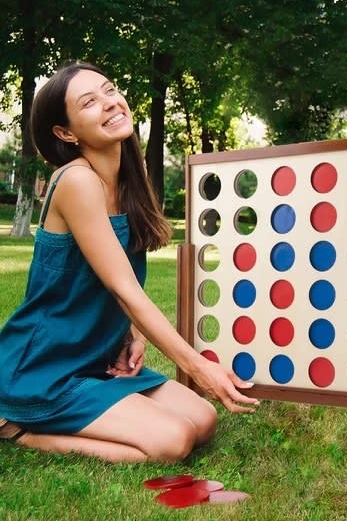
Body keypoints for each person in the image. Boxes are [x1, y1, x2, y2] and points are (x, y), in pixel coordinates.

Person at [0, 62, 259, 462]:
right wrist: (199, 366)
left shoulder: (127, 184)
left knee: (203, 421)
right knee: (173, 442)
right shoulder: (76, 181)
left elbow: (108, 282)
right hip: (45, 367)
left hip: (97, 360)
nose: (109, 103)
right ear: (65, 133)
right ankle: (18, 429)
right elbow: (126, 289)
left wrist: (131, 336)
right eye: (89, 102)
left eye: (109, 90)